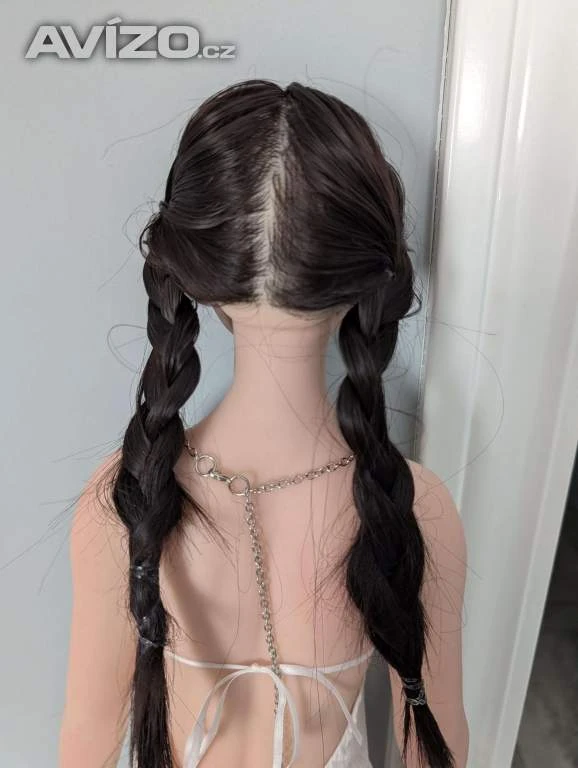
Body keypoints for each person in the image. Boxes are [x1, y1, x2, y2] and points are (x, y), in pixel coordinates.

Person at [59, 79, 469, 768]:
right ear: (367, 278)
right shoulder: (418, 507)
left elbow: (83, 741)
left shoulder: (121, 500)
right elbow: (441, 741)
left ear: (200, 277)